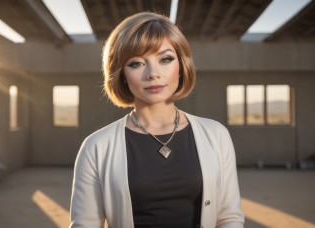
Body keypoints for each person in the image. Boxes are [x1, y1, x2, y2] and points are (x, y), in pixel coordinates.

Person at [70, 12, 244, 228]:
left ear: (181, 65)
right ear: (122, 73)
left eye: (165, 59)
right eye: (136, 63)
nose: (153, 73)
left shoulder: (216, 135)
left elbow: (229, 218)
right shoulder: (96, 146)